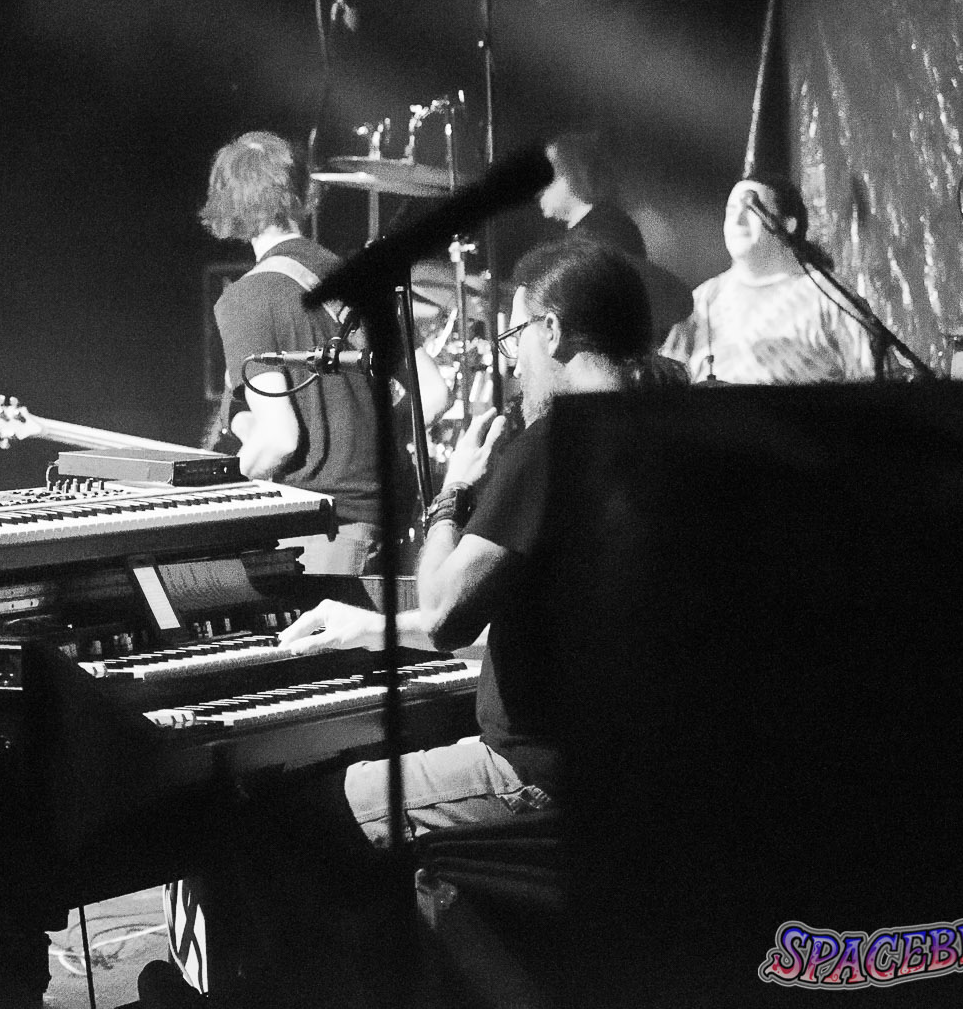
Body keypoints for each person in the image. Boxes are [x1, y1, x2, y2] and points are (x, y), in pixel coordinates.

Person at [277, 237, 676, 842]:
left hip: (537, 773)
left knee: (303, 814)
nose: (512, 364)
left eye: (514, 338)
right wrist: (372, 628)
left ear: (551, 331)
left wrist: (453, 493)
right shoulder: (665, 428)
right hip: (633, 768)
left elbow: (445, 617)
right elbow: (535, 624)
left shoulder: (554, 445)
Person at [201, 132, 446, 575]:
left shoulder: (246, 299)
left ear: (227, 205)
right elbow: (434, 392)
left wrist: (212, 496)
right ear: (302, 193)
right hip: (391, 526)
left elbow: (279, 439)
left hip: (325, 534)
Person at [661, 174, 876, 385]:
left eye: (750, 209)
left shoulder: (828, 295)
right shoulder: (703, 300)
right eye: (731, 211)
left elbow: (873, 382)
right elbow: (668, 383)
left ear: (787, 224)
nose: (737, 220)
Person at [539, 131, 646, 258]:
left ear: (574, 176)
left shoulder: (605, 230)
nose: (540, 190)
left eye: (550, 177)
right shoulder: (587, 231)